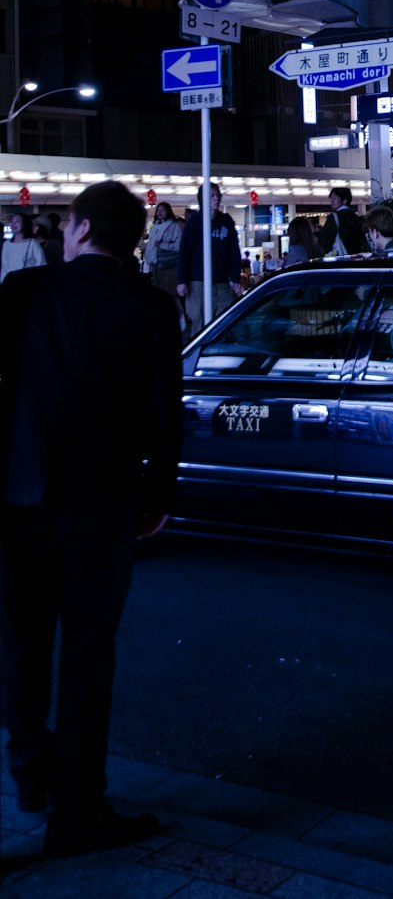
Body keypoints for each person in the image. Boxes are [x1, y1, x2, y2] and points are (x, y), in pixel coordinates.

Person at [0, 179, 182, 857]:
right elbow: (166, 415)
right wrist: (157, 496)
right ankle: (77, 809)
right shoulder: (152, 309)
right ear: (134, 237)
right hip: (103, 503)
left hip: (19, 495)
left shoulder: (24, 296)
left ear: (76, 229)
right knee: (87, 654)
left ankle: (29, 770)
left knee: (20, 644)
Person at [175, 183, 242, 336]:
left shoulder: (226, 221)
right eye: (212, 195)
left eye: (218, 195)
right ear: (202, 199)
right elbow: (184, 252)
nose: (216, 198)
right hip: (198, 281)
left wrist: (235, 277)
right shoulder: (194, 223)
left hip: (222, 281)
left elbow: (234, 251)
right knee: (200, 324)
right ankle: (199, 355)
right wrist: (181, 280)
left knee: (225, 322)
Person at [143, 202, 184, 314]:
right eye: (158, 210)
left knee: (169, 295)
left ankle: (178, 319)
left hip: (168, 266)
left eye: (163, 210)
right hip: (156, 265)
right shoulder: (155, 226)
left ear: (168, 212)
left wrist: (163, 245)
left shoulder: (173, 226)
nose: (160, 213)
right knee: (158, 295)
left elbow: (179, 245)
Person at [317, 186, 366, 257]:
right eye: (331, 199)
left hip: (339, 257)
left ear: (344, 200)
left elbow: (325, 239)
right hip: (356, 257)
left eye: (335, 198)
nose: (332, 201)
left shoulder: (333, 217)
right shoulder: (355, 217)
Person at [0, 211, 46, 282]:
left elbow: (41, 264)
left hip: (28, 283)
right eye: (12, 221)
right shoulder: (7, 244)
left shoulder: (32, 243)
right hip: (10, 284)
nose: (13, 224)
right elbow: (4, 267)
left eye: (17, 221)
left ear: (24, 224)